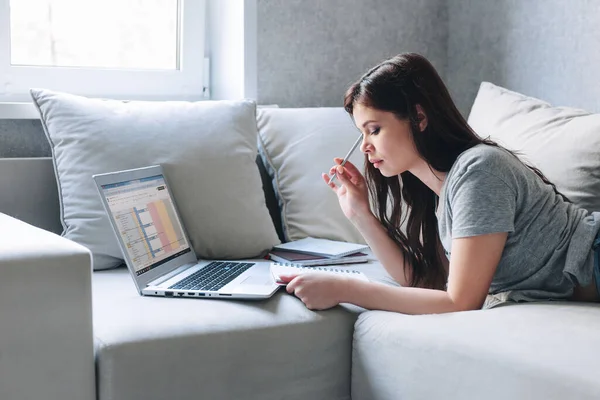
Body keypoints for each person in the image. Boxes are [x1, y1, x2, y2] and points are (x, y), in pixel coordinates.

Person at [280, 53, 600, 313]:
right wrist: (360, 214)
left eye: (374, 129)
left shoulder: (479, 171)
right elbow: (420, 281)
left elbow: (461, 302)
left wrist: (346, 289)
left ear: (419, 118)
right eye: (361, 133)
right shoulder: (444, 190)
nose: (364, 146)